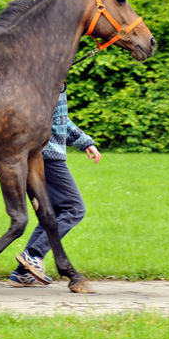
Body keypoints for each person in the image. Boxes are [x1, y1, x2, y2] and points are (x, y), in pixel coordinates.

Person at [8, 83, 101, 287]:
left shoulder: (51, 79)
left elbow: (60, 121)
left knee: (54, 213)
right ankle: (33, 254)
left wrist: (85, 142)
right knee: (74, 208)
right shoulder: (48, 81)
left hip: (43, 155)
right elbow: (47, 120)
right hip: (47, 157)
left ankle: (23, 272)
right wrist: (85, 142)